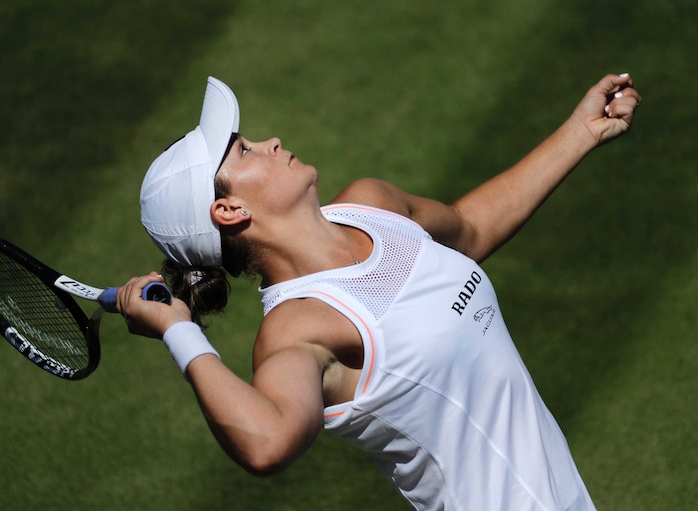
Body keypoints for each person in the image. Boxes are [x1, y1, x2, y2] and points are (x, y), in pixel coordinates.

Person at [117, 73, 642, 510]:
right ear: (231, 211)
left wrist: (581, 132)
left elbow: (470, 228)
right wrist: (178, 331)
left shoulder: (374, 206)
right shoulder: (298, 328)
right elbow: (267, 444)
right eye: (246, 151)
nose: (271, 141)